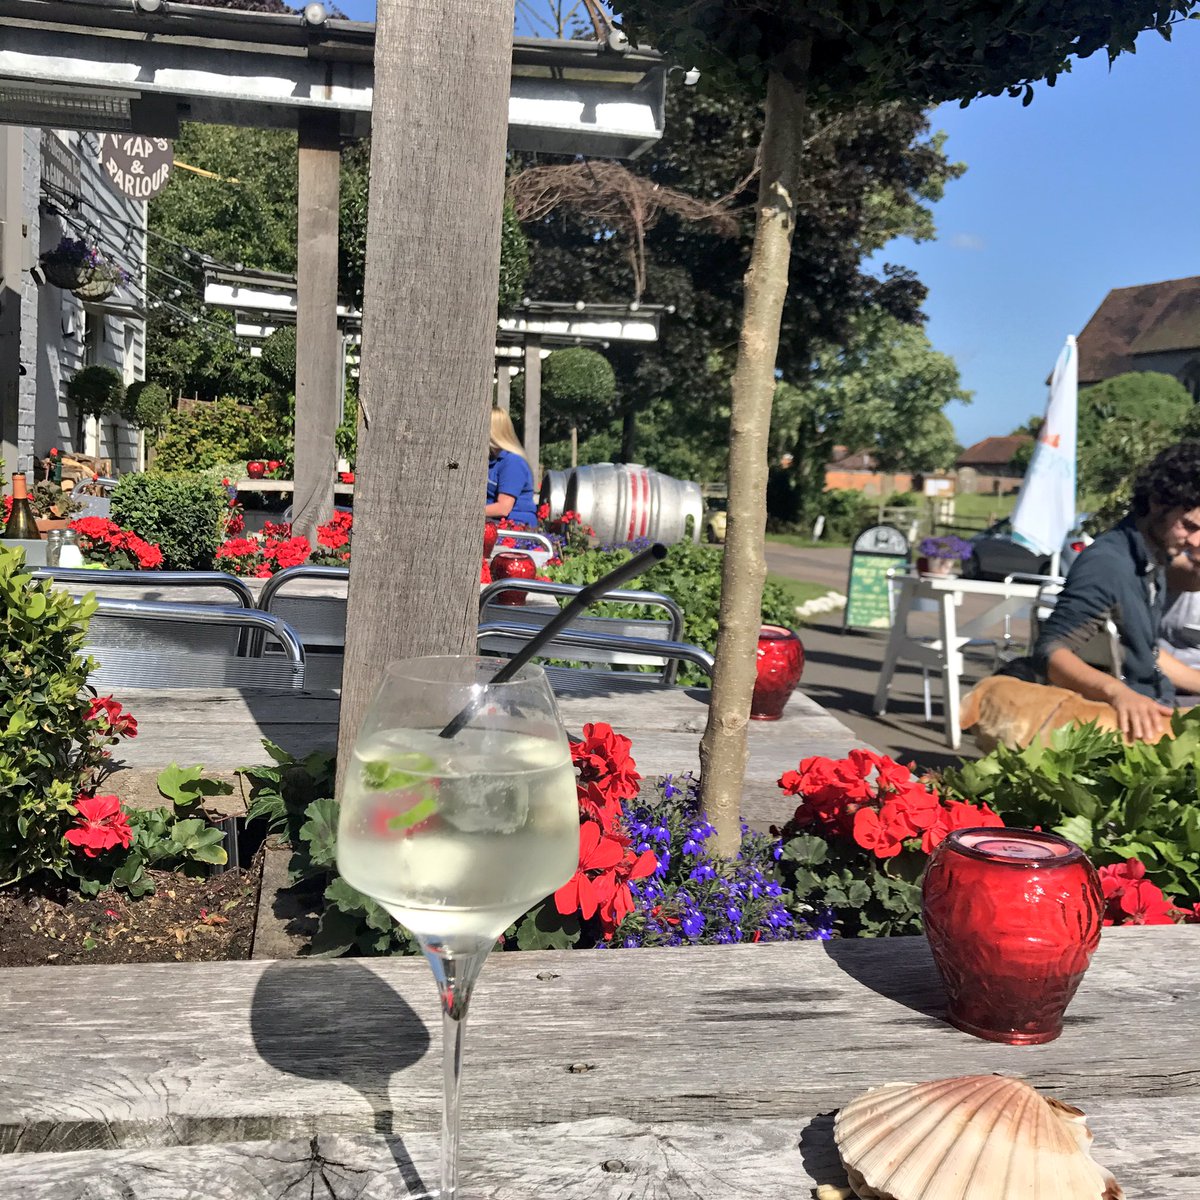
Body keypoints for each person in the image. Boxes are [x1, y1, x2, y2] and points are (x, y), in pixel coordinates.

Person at [1033, 441, 1200, 741]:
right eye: (1189, 526)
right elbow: (1051, 653)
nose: (1196, 541)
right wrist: (1118, 694)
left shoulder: (1151, 556)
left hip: (1158, 702)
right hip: (1130, 723)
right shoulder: (1108, 563)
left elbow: (1144, 651)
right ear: (1157, 503)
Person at [486, 408, 538, 528]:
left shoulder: (512, 462)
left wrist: (463, 514)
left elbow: (503, 508)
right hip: (493, 523)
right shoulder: (493, 460)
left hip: (513, 527)